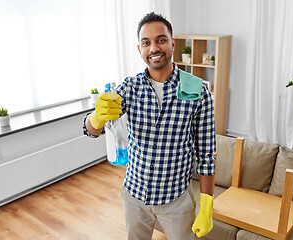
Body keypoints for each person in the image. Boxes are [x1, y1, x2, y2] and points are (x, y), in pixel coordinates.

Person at [83, 12, 216, 240]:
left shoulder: (197, 90)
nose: (154, 47)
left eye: (161, 40)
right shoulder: (129, 87)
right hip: (134, 195)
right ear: (140, 50)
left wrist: (206, 204)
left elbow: (206, 154)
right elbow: (91, 131)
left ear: (173, 43)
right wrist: (96, 118)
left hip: (176, 199)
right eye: (146, 42)